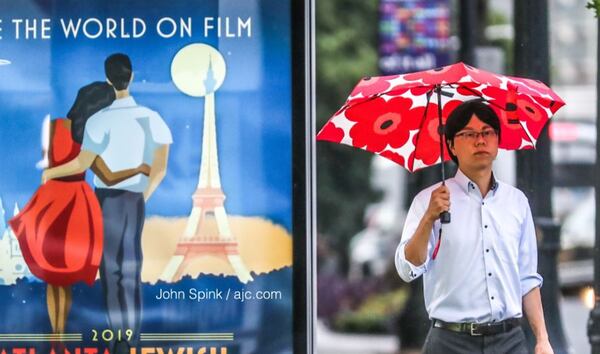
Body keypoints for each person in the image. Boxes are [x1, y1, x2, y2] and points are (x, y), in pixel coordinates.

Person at [395, 100, 553, 354]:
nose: (480, 140)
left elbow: (527, 278)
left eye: (487, 132)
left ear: (497, 141)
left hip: (509, 341)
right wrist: (428, 218)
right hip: (450, 341)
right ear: (450, 144)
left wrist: (542, 339)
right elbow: (407, 268)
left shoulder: (516, 202)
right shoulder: (429, 201)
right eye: (469, 134)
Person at [42, 53, 172, 353]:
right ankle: (133, 337)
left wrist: (51, 172)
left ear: (108, 79)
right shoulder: (152, 117)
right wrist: (143, 195)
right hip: (135, 199)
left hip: (106, 200)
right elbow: (160, 168)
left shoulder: (99, 120)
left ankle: (118, 339)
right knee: (132, 268)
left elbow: (82, 164)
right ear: (132, 76)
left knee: (110, 270)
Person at [9, 82, 150, 340]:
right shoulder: (93, 137)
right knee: (64, 274)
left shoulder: (54, 127)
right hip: (76, 204)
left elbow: (47, 158)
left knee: (53, 275)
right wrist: (138, 170)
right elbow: (107, 175)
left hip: (51, 200)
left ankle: (57, 335)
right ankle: (58, 336)